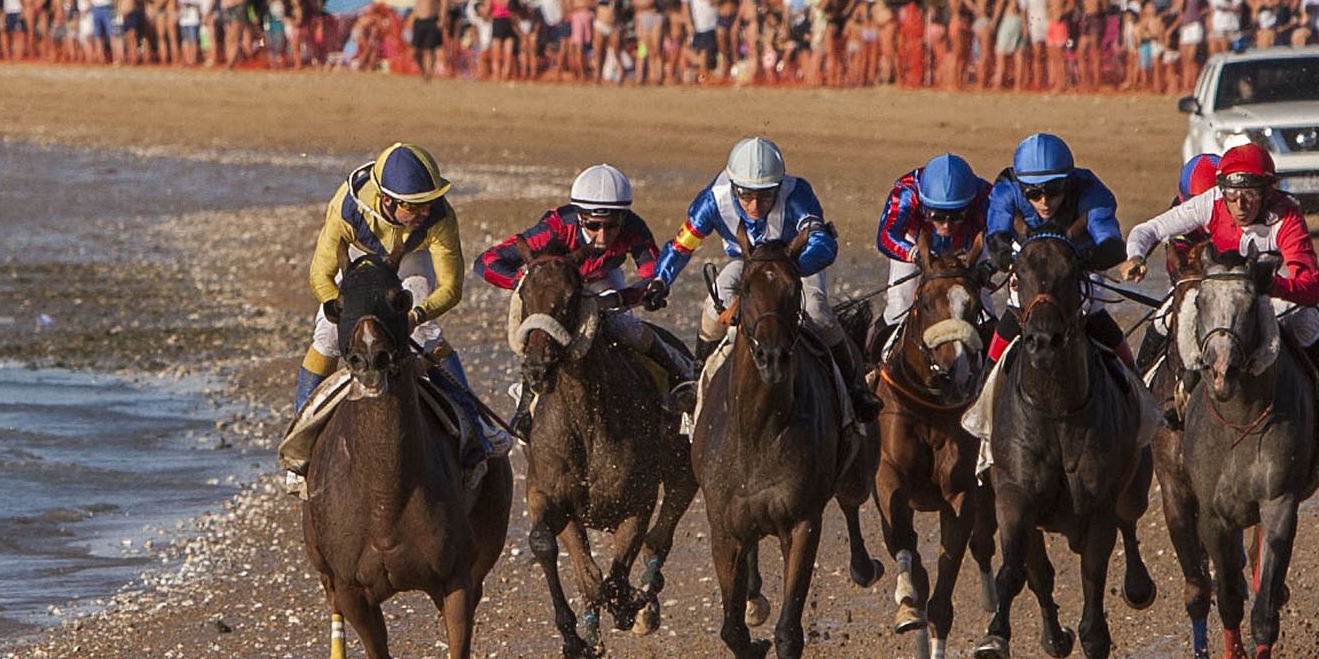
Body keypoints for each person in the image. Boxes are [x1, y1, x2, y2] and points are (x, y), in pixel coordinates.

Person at [1121, 143, 1319, 437]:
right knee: (1168, 315)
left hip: (1275, 294)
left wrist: (1272, 284)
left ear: (1268, 192)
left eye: (1250, 195)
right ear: (1222, 191)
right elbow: (1149, 230)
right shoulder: (1211, 200)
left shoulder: (1287, 215)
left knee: (1305, 322)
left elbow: (1312, 285)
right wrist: (1136, 256)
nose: (1240, 205)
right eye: (1232, 195)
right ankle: (1149, 391)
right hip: (1225, 292)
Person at [644, 136, 881, 420]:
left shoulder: (798, 193)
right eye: (745, 195)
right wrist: (661, 280)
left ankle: (855, 389)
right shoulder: (712, 200)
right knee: (713, 304)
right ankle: (697, 383)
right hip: (748, 263)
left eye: (766, 195)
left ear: (779, 187)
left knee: (817, 311)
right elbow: (682, 245)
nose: (755, 205)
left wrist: (787, 270)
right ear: (732, 187)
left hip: (795, 263)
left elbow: (823, 244)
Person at [475, 163, 696, 437]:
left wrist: (624, 297)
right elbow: (486, 262)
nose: (602, 236)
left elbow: (653, 274)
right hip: (555, 288)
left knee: (627, 329)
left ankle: (681, 377)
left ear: (623, 219)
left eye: (612, 226)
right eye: (593, 226)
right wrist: (525, 283)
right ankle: (524, 408)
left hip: (602, 280)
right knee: (538, 335)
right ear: (580, 218)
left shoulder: (634, 226)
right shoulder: (555, 227)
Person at [293, 143, 479, 429]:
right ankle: (300, 436)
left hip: (411, 257)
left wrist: (416, 316)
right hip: (358, 260)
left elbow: (451, 288)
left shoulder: (440, 217)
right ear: (386, 200)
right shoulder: (346, 208)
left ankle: (475, 427)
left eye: (429, 202)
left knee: (428, 334)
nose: (425, 212)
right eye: (413, 206)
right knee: (329, 334)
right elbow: (320, 276)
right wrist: (346, 311)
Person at [979, 132, 1131, 366]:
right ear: (1021, 187)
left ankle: (1138, 391)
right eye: (1034, 193)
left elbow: (1112, 246)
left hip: (1077, 263)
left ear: (1067, 182)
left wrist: (1080, 261)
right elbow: (997, 239)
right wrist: (1012, 262)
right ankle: (985, 388)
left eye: (1053, 190)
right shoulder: (1005, 190)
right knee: (1012, 315)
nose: (1044, 201)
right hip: (1027, 262)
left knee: (1096, 316)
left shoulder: (1091, 190)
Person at [872, 152, 992, 352]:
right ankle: (873, 366)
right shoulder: (906, 191)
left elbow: (1002, 236)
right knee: (899, 304)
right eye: (937, 215)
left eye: (956, 215)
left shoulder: (986, 196)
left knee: (985, 311)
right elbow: (886, 235)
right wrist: (915, 256)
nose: (946, 225)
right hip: (915, 243)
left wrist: (989, 267)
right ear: (923, 203)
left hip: (967, 247)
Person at [1134, 153, 1220, 375]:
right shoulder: (1179, 219)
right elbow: (1177, 267)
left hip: (1233, 286)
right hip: (1189, 287)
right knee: (1162, 321)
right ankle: (1141, 376)